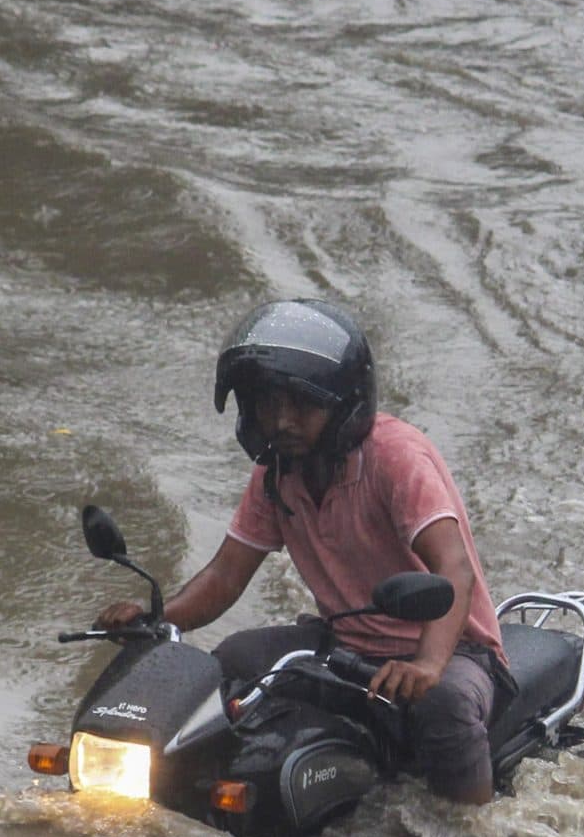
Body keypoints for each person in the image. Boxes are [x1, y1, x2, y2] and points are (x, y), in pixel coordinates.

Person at [94, 299, 511, 804]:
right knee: (233, 660)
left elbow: (454, 568)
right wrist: (156, 620)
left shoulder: (396, 457)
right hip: (347, 643)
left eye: (302, 405)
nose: (283, 421)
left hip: (451, 650)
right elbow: (226, 576)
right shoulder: (277, 475)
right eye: (269, 404)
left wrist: (427, 664)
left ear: (344, 405)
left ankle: (473, 833)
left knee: (444, 705)